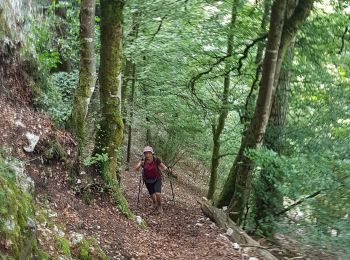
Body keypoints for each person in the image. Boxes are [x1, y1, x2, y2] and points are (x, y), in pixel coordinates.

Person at [133, 146, 169, 213]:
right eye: (146, 153)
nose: (147, 154)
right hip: (147, 180)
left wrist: (168, 170)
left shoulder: (156, 159)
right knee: (152, 194)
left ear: (152, 153)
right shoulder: (143, 161)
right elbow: (135, 169)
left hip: (157, 178)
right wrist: (139, 164)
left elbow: (163, 166)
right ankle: (154, 203)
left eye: (149, 153)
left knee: (158, 193)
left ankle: (159, 205)